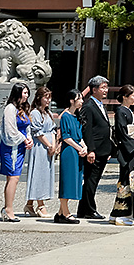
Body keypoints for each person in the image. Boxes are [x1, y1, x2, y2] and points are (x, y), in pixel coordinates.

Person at [78, 75, 113, 220]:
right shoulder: (88, 106)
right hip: (95, 150)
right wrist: (90, 149)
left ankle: (83, 209)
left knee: (94, 180)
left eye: (106, 87)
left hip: (103, 149)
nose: (106, 90)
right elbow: (87, 130)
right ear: (94, 89)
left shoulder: (100, 105)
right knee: (91, 180)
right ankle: (89, 209)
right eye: (102, 87)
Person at [109, 84, 134, 226]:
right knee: (125, 181)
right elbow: (122, 133)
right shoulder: (120, 112)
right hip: (127, 150)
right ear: (125, 97)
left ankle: (116, 213)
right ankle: (121, 214)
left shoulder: (129, 112)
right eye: (133, 96)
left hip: (133, 150)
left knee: (130, 181)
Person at [0, 82, 33, 222]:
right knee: (13, 177)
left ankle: (8, 207)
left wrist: (28, 138)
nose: (26, 96)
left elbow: (27, 127)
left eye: (27, 93)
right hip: (11, 146)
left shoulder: (22, 109)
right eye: (24, 93)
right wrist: (24, 139)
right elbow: (10, 128)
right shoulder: (10, 108)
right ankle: (8, 209)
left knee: (14, 177)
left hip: (20, 147)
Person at [24, 85, 59, 218]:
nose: (48, 100)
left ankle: (29, 204)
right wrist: (49, 145)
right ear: (39, 98)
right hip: (39, 147)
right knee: (39, 174)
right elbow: (38, 132)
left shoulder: (48, 113)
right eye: (46, 97)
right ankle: (41, 204)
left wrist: (54, 145)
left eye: (49, 98)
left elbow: (53, 130)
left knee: (45, 174)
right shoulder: (35, 113)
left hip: (49, 146)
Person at [56, 88, 87, 224]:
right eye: (79, 98)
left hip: (77, 150)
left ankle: (60, 212)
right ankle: (66, 212)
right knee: (67, 181)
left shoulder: (77, 116)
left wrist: (84, 146)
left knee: (74, 179)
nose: (81, 101)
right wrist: (80, 147)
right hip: (69, 151)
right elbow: (66, 137)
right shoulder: (65, 116)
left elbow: (79, 136)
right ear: (71, 100)